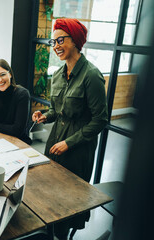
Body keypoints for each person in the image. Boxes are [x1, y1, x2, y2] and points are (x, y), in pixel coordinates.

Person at [32, 18, 108, 239]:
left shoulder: (91, 75)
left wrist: (69, 143)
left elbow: (100, 120)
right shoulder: (57, 75)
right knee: (49, 195)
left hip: (77, 150)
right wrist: (44, 117)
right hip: (54, 143)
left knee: (67, 204)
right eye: (52, 41)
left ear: (75, 40)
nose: (55, 46)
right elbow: (57, 111)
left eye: (60, 40)